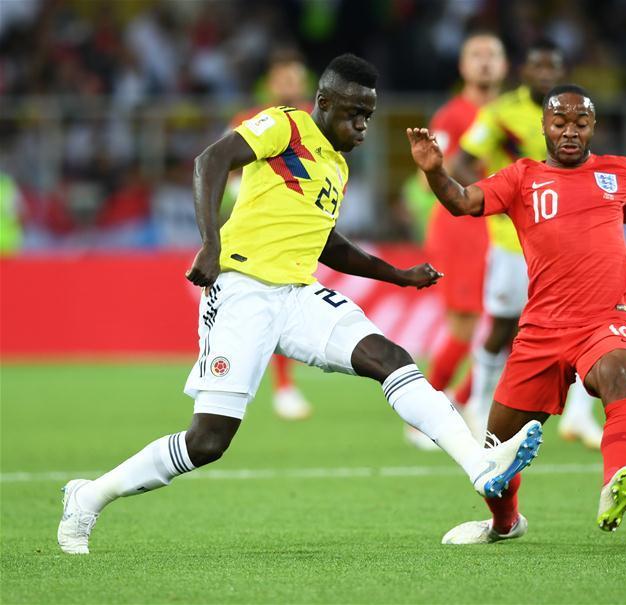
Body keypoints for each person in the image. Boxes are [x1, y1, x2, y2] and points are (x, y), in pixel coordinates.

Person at [57, 54, 544, 555]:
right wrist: (210, 243)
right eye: (354, 113)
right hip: (242, 289)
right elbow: (211, 160)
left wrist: (396, 274)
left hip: (297, 293)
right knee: (207, 442)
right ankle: (88, 496)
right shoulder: (284, 126)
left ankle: (479, 465)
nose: (363, 125)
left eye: (369, 115)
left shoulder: (336, 165)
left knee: (391, 358)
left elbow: (326, 242)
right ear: (324, 102)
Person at [407, 84, 626, 544]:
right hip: (541, 330)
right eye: (560, 123)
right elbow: (462, 201)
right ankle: (505, 523)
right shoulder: (521, 178)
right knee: (495, 454)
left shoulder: (620, 172)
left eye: (580, 124)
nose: (569, 132)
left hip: (603, 320)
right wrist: (435, 171)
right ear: (543, 126)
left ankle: (616, 478)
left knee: (621, 373)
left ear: (593, 127)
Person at [454, 38, 605, 449]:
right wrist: (498, 197)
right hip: (513, 240)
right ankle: (478, 404)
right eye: (537, 66)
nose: (545, 74)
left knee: (584, 324)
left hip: (566, 243)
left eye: (552, 67)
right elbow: (461, 161)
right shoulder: (499, 113)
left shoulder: (570, 114)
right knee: (504, 326)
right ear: (524, 71)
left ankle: (579, 415)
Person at [405, 31, 508, 450]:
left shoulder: (512, 114)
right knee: (465, 324)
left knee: (511, 322)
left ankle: (464, 402)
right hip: (462, 227)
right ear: (463, 66)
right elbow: (426, 176)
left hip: (504, 229)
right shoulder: (452, 116)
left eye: (492, 54)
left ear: (504, 65)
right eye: (476, 55)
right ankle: (424, 416)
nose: (485, 62)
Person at [225, 48, 314, 421]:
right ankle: (270, 386)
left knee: (278, 308)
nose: (289, 83)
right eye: (283, 77)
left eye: (295, 77)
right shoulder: (249, 120)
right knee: (257, 311)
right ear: (271, 82)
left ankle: (280, 386)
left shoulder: (316, 120)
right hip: (255, 231)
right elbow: (222, 166)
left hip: (300, 231)